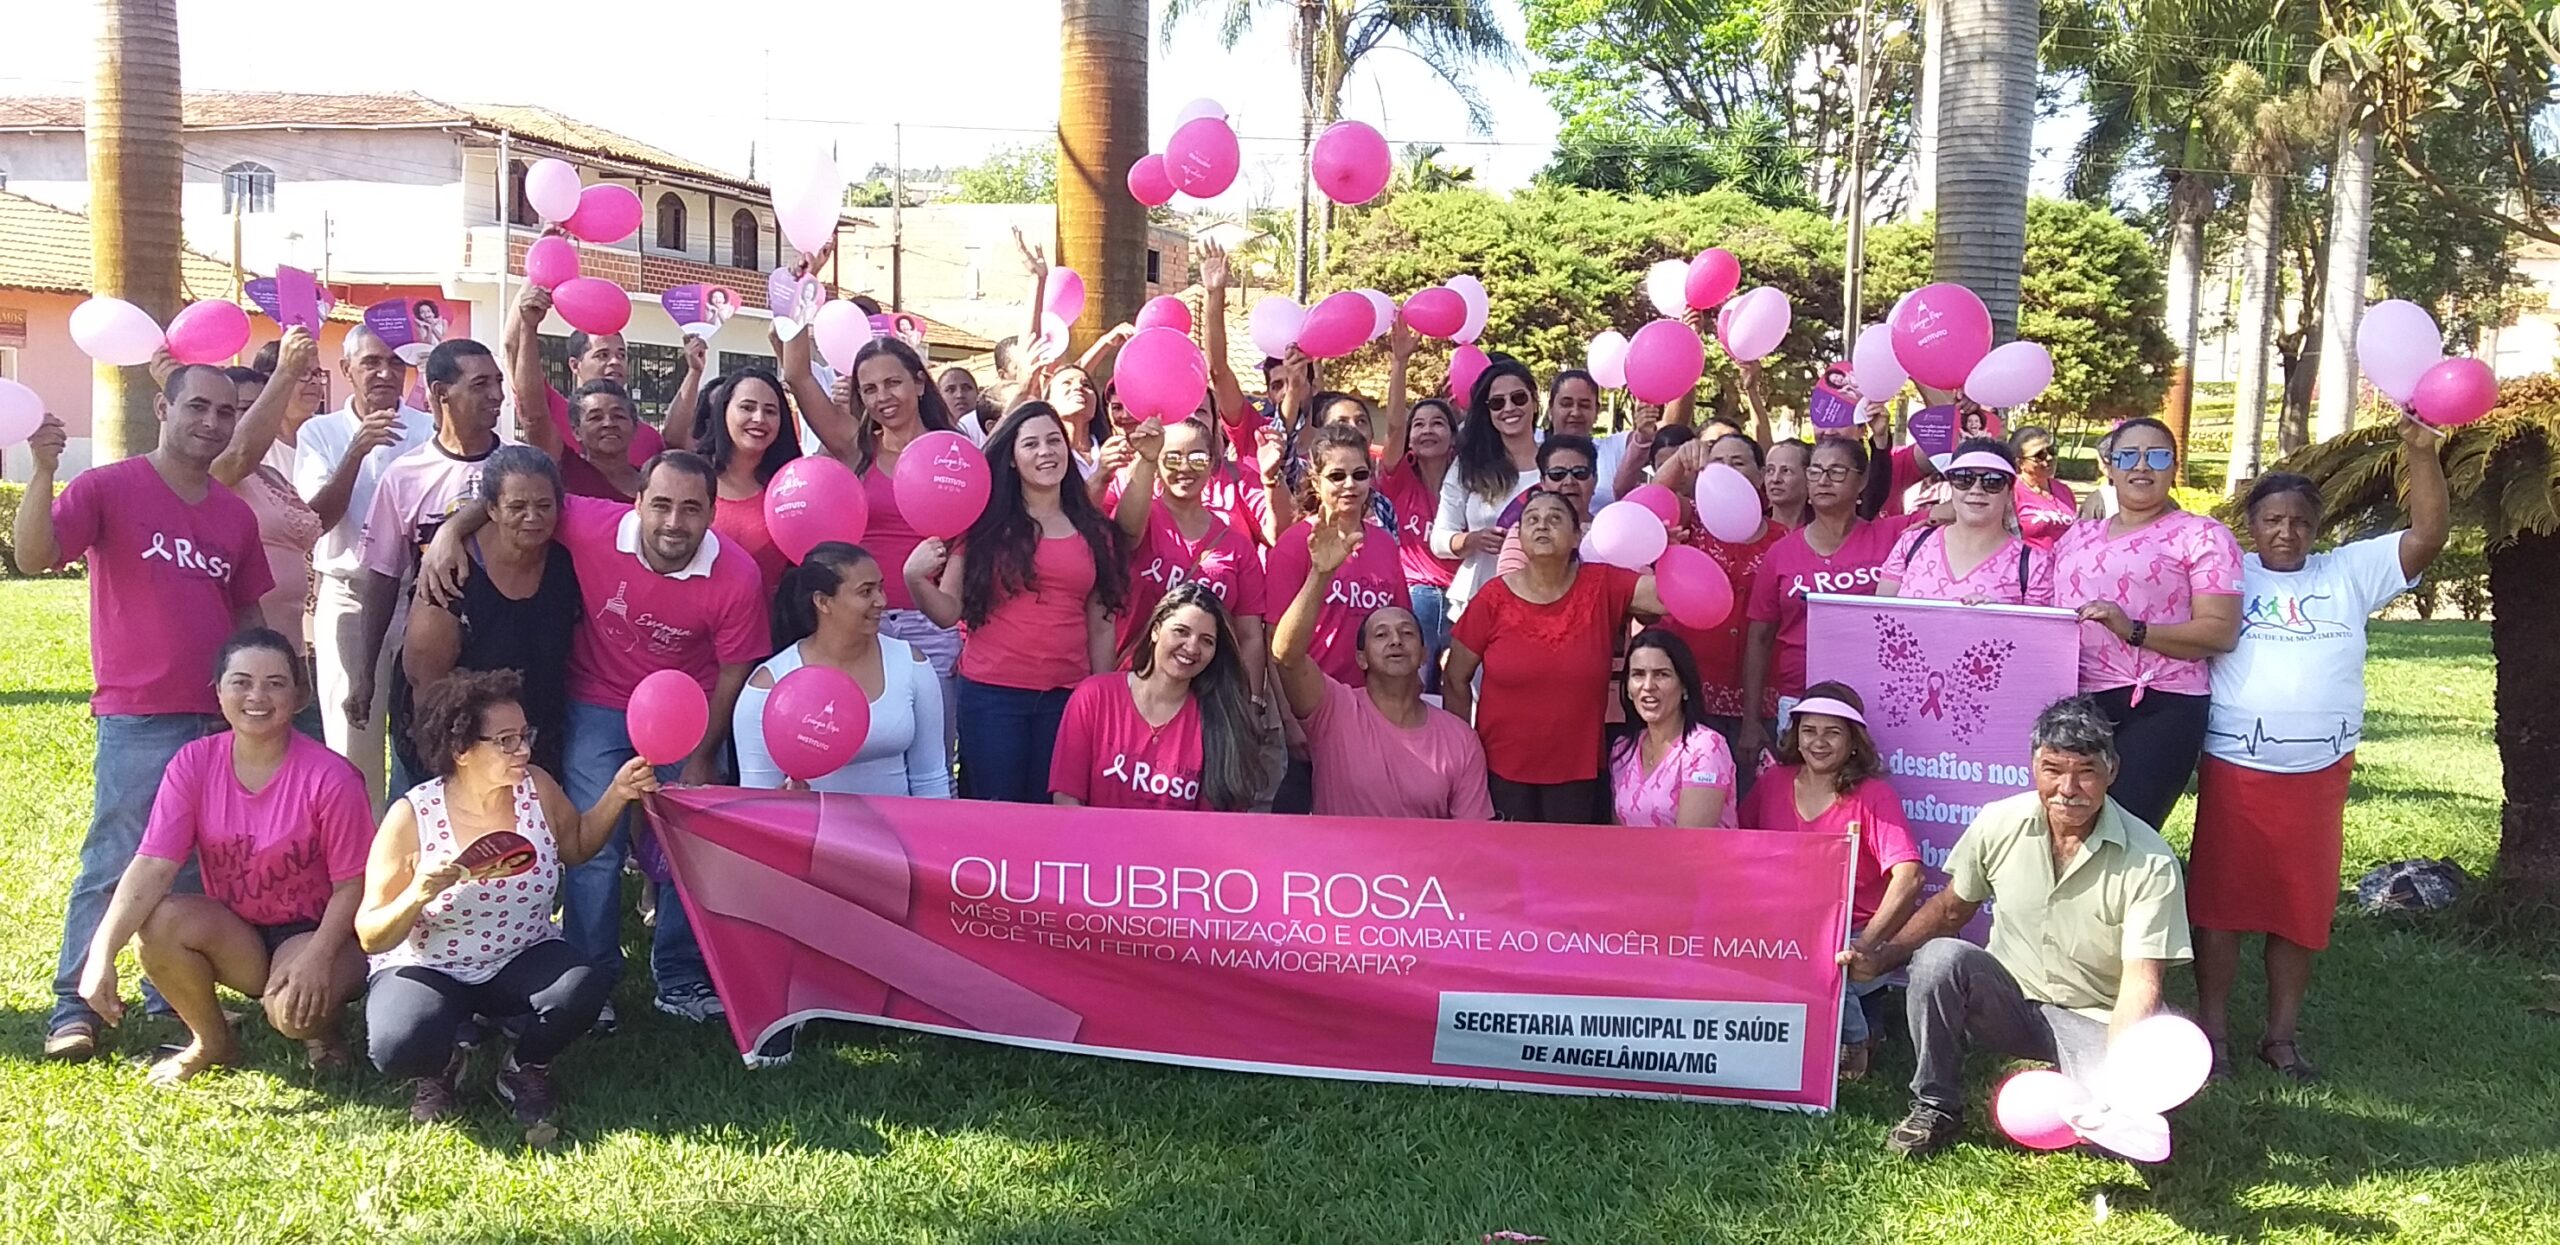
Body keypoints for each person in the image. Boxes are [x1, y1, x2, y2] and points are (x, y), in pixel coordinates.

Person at [419, 450, 764, 1030]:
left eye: (690, 508)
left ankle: (678, 978)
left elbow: (734, 671)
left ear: (712, 512)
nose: (673, 523)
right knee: (593, 845)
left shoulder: (737, 576)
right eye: (660, 505)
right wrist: (451, 531)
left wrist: (704, 753)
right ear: (637, 504)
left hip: (687, 709)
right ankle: (591, 977)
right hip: (600, 699)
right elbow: (512, 497)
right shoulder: (591, 523)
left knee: (689, 849)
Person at [14, 369, 277, 1060]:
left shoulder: (233, 514)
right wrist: (43, 470)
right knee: (116, 856)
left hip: (220, 720)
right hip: (139, 715)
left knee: (197, 867)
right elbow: (34, 555)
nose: (213, 421)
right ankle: (75, 1005)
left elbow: (247, 613)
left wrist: (257, 699)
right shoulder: (109, 486)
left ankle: (173, 995)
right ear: (163, 407)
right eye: (197, 405)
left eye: (226, 410)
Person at [2190, 418, 2449, 1081]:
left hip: (2318, 772)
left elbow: (2427, 537)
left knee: (2299, 910)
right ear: (2251, 524)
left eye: (2299, 521)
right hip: (2237, 767)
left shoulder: (2347, 573)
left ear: (2317, 526)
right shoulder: (2227, 572)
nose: (2285, 532)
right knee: (2220, 906)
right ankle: (2211, 1032)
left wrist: (2420, 452)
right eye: (2272, 519)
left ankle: (2280, 1037)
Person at [1841, 697, 2192, 1158]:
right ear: (2033, 767)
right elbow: (1950, 909)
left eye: (2086, 771)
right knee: (1938, 960)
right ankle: (1935, 1106)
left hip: (2097, 1016)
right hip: (2008, 1003)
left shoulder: (2150, 859)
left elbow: (2141, 980)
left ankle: (2104, 1090)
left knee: (2114, 1142)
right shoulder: (1999, 822)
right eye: (2053, 769)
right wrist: (1884, 957)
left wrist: (2118, 1076)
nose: (2068, 788)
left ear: (2113, 771)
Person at [74, 629, 372, 1083]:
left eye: (275, 683)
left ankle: (325, 1032)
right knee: (160, 924)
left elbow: (355, 884)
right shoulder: (194, 763)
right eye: (241, 681)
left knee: (293, 1015)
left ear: (299, 696)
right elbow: (153, 864)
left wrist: (318, 955)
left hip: (318, 928)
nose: (257, 695)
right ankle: (211, 1043)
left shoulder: (331, 777)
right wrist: (102, 952)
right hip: (239, 930)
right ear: (218, 692)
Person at [358, 669, 652, 1128]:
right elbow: (371, 935)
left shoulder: (535, 786)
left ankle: (525, 1067)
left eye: (524, 735)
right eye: (506, 741)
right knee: (397, 1044)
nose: (525, 750)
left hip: (520, 952)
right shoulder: (411, 815)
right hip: (429, 964)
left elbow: (575, 846)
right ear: (461, 749)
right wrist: (416, 894)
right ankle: (440, 1068)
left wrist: (617, 794)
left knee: (582, 989)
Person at [905, 402, 1128, 802]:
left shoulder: (1094, 531)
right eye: (1031, 444)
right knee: (996, 816)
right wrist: (913, 578)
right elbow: (947, 612)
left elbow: (1101, 623)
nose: (1046, 452)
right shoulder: (984, 527)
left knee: (1055, 818)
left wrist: (1100, 696)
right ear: (1011, 458)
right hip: (993, 698)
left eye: (1054, 441)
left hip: (1067, 699)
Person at [2051, 417, 2241, 831]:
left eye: (2156, 456)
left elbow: (2220, 631)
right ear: (2109, 466)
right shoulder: (2076, 538)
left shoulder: (2202, 536)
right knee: (2071, 828)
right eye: (2128, 456)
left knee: (2127, 829)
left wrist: (2134, 630)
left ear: (2174, 468)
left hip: (2160, 704)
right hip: (2078, 701)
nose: (2141, 467)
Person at [1444, 491, 1666, 823]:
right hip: (1501, 769)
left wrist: (1667, 553)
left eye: (1555, 518)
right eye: (1531, 519)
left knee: (1569, 871)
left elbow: (1665, 599)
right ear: (1519, 536)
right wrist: (1463, 754)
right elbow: (1454, 678)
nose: (1542, 525)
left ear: (1578, 535)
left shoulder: (1604, 583)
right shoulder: (1492, 598)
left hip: (1578, 771)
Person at [1735, 683, 1922, 1079]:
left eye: (1832, 732)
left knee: (1824, 958)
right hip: (1782, 929)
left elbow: (1909, 876)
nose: (1818, 742)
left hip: (1849, 934)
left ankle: (1854, 1039)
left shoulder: (1874, 795)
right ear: (1795, 735)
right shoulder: (1773, 783)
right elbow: (1740, 847)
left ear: (1854, 741)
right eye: (1809, 731)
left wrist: (1866, 943)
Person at [779, 333, 962, 734]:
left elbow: (967, 541)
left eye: (893, 383)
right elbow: (798, 375)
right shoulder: (857, 447)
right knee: (856, 738)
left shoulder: (953, 453)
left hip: (930, 626)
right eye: (870, 389)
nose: (883, 397)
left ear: (918, 382)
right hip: (859, 620)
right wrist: (799, 291)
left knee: (934, 752)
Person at [351, 339, 508, 794]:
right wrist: (365, 673)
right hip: (429, 664)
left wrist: (452, 531)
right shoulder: (405, 475)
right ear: (441, 393)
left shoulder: (517, 464)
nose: (496, 395)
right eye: (480, 385)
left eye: (498, 382)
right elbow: (381, 577)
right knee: (422, 780)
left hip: (505, 656)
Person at [296, 326, 436, 809]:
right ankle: (357, 860)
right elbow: (315, 521)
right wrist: (356, 450)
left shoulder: (428, 429)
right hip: (350, 595)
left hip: (419, 597)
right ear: (346, 370)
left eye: (395, 363)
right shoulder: (319, 432)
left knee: (423, 733)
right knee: (353, 736)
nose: (384, 372)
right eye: (371, 362)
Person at [1272, 519, 1493, 820]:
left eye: (1407, 633)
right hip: (1343, 866)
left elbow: (1473, 839)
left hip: (1424, 867)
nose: (1395, 641)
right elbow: (1286, 656)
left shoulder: (1460, 739)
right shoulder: (1334, 710)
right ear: (1361, 658)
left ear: (1423, 655)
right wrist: (1320, 575)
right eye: (1381, 634)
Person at [397, 446, 582, 786]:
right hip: (454, 744)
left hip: (534, 742)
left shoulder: (565, 563)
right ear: (491, 509)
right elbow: (426, 685)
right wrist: (449, 769)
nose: (532, 517)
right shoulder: (453, 570)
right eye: (517, 507)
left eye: (544, 506)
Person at [1738, 437, 1930, 763]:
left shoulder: (1891, 536)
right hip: (1801, 700)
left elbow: (1957, 509)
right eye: (1815, 472)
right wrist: (1751, 720)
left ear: (1862, 480)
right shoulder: (1781, 554)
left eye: (1837, 472)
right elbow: (1759, 638)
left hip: (1875, 699)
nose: (1824, 481)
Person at [735, 542, 953, 798]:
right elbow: (756, 801)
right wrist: (790, 804)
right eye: (866, 592)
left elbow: (931, 778)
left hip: (895, 834)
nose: (881, 601)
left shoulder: (910, 664)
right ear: (823, 602)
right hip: (811, 835)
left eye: (880, 587)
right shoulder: (768, 687)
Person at [1050, 585, 1274, 811]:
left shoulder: (1221, 719)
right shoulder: (1094, 697)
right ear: (1155, 630)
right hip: (1096, 844)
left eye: (1206, 640)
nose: (1191, 647)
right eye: (1181, 631)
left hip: (1182, 847)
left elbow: (1217, 825)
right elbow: (1067, 798)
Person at [216, 332, 328, 738]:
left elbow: (319, 521)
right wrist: (286, 369)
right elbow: (240, 452)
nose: (258, 417)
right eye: (244, 409)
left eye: (266, 406)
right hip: (247, 665)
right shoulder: (220, 473)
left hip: (294, 649)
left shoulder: (273, 474)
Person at [1653, 434, 1786, 754]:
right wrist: (1680, 459)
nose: (1726, 470)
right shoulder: (1692, 522)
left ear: (1760, 476)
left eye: (1738, 463)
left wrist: (1753, 720)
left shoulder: (1784, 541)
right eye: (1717, 462)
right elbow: (1653, 496)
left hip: (1758, 702)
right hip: (1691, 696)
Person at [1111, 415, 1269, 673]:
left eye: (1197, 458)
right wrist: (1146, 459)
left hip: (1208, 690)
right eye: (1172, 458)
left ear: (1212, 464)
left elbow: (1249, 636)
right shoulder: (1142, 518)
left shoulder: (1236, 545)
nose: (1184, 468)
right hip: (1136, 679)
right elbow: (1125, 535)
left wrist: (1252, 701)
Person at [1264, 423, 1411, 686]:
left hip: (1375, 700)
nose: (1350, 484)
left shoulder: (1385, 544)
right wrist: (1289, 720)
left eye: (1360, 474)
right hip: (1313, 698)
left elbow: (1401, 622)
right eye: (1337, 476)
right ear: (1315, 481)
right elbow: (1274, 644)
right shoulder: (1294, 545)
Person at [1432, 358, 1543, 621]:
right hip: (1480, 600)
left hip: (1544, 600)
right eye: (1497, 403)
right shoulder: (1469, 465)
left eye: (1518, 398)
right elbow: (1439, 539)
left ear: (1535, 401)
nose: (1508, 408)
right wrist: (1472, 540)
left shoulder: (1557, 464)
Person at [1878, 439, 2052, 606]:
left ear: (2009, 492)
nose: (1976, 490)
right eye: (1963, 478)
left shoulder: (2035, 565)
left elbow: (2036, 633)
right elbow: (1879, 621)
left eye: (1993, 481)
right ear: (1951, 485)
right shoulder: (1911, 545)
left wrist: (2001, 618)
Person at [1608, 630, 1738, 829]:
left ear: (1684, 685)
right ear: (1627, 687)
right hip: (1630, 860)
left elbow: (1690, 843)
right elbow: (1618, 834)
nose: (1648, 686)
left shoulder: (1705, 747)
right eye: (1638, 674)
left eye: (1661, 674)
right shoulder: (1623, 749)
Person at [693, 365, 801, 595]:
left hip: (765, 625)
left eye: (770, 411)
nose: (759, 418)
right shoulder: (692, 477)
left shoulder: (793, 487)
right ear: (723, 411)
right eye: (747, 407)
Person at [1379, 396, 1461, 690]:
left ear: (1453, 436)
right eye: (1419, 424)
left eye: (1438, 423)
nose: (1427, 430)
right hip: (1418, 596)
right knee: (1417, 688)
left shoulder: (1470, 482)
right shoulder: (1398, 479)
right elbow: (1393, 428)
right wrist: (1400, 362)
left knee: (1458, 689)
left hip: (1463, 599)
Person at [1543, 369, 1626, 509]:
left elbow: (1659, 436)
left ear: (1597, 410)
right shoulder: (1531, 444)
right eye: (1566, 404)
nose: (1575, 412)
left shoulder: (1612, 448)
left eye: (1584, 405)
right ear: (1551, 407)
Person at [2008, 423, 2076, 547]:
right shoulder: (2011, 493)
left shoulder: (2064, 491)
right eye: (2040, 455)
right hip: (2028, 563)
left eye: (2052, 450)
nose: (2049, 458)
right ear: (2020, 462)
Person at [1764, 439, 1813, 529]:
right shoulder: (1754, 530)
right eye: (1770, 470)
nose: (1775, 479)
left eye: (1786, 471)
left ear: (1808, 476)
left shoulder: (1825, 529)